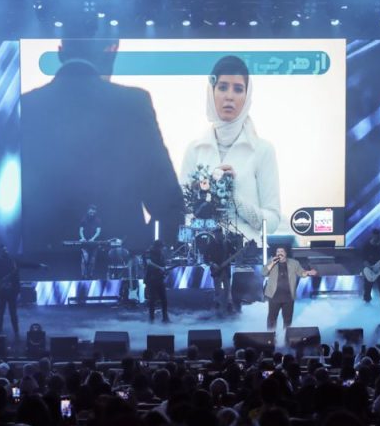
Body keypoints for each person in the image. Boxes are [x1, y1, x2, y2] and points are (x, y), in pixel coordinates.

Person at [21, 37, 183, 254]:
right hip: (119, 261)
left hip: (45, 263)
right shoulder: (133, 103)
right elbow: (168, 202)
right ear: (110, 52)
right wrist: (144, 254)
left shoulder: (27, 106)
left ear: (61, 53)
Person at [180, 55, 281, 242]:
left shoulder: (262, 150)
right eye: (223, 87)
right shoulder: (194, 150)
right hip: (201, 254)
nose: (229, 96)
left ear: (247, 96)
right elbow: (181, 214)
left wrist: (237, 201)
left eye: (238, 89)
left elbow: (273, 221)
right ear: (211, 92)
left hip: (248, 255)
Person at [0, 245, 40, 342]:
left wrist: (39, 266)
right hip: (1, 291)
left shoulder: (13, 260)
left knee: (13, 312)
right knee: (0, 312)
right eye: (3, 250)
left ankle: (16, 332)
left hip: (12, 291)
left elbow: (26, 264)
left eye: (6, 249)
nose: (6, 251)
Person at [262, 246, 316, 331]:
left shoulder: (294, 263)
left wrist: (309, 272)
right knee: (272, 318)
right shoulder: (271, 261)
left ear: (285, 253)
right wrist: (272, 263)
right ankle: (271, 336)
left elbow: (301, 273)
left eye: (281, 251)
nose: (279, 253)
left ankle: (286, 336)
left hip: (288, 297)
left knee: (288, 319)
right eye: (278, 251)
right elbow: (264, 272)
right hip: (274, 296)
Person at [205, 226, 235, 315]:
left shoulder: (227, 243)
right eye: (216, 234)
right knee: (217, 289)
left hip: (226, 269)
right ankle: (217, 306)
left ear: (221, 233)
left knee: (228, 288)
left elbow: (234, 253)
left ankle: (229, 306)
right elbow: (206, 258)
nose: (217, 236)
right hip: (216, 270)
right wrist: (212, 264)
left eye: (218, 234)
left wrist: (239, 250)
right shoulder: (211, 245)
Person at [145, 240, 170, 323]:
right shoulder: (148, 252)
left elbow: (163, 265)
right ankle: (151, 319)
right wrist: (160, 268)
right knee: (152, 299)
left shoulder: (161, 254)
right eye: (160, 247)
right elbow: (149, 263)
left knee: (164, 299)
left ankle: (165, 318)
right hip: (151, 279)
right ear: (156, 246)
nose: (161, 249)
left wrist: (165, 270)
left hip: (159, 279)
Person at [362, 228, 380, 305]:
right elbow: (364, 260)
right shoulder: (367, 246)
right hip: (370, 268)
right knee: (367, 287)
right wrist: (370, 267)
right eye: (376, 236)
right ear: (373, 236)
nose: (377, 238)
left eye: (379, 236)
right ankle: (367, 302)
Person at [78, 204, 102, 279]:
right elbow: (81, 230)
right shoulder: (83, 219)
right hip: (85, 243)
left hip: (94, 244)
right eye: (91, 211)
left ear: (95, 212)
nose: (92, 213)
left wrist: (93, 239)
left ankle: (90, 275)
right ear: (88, 211)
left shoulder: (98, 220)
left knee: (92, 260)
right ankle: (83, 275)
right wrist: (82, 238)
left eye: (93, 212)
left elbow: (98, 231)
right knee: (84, 259)